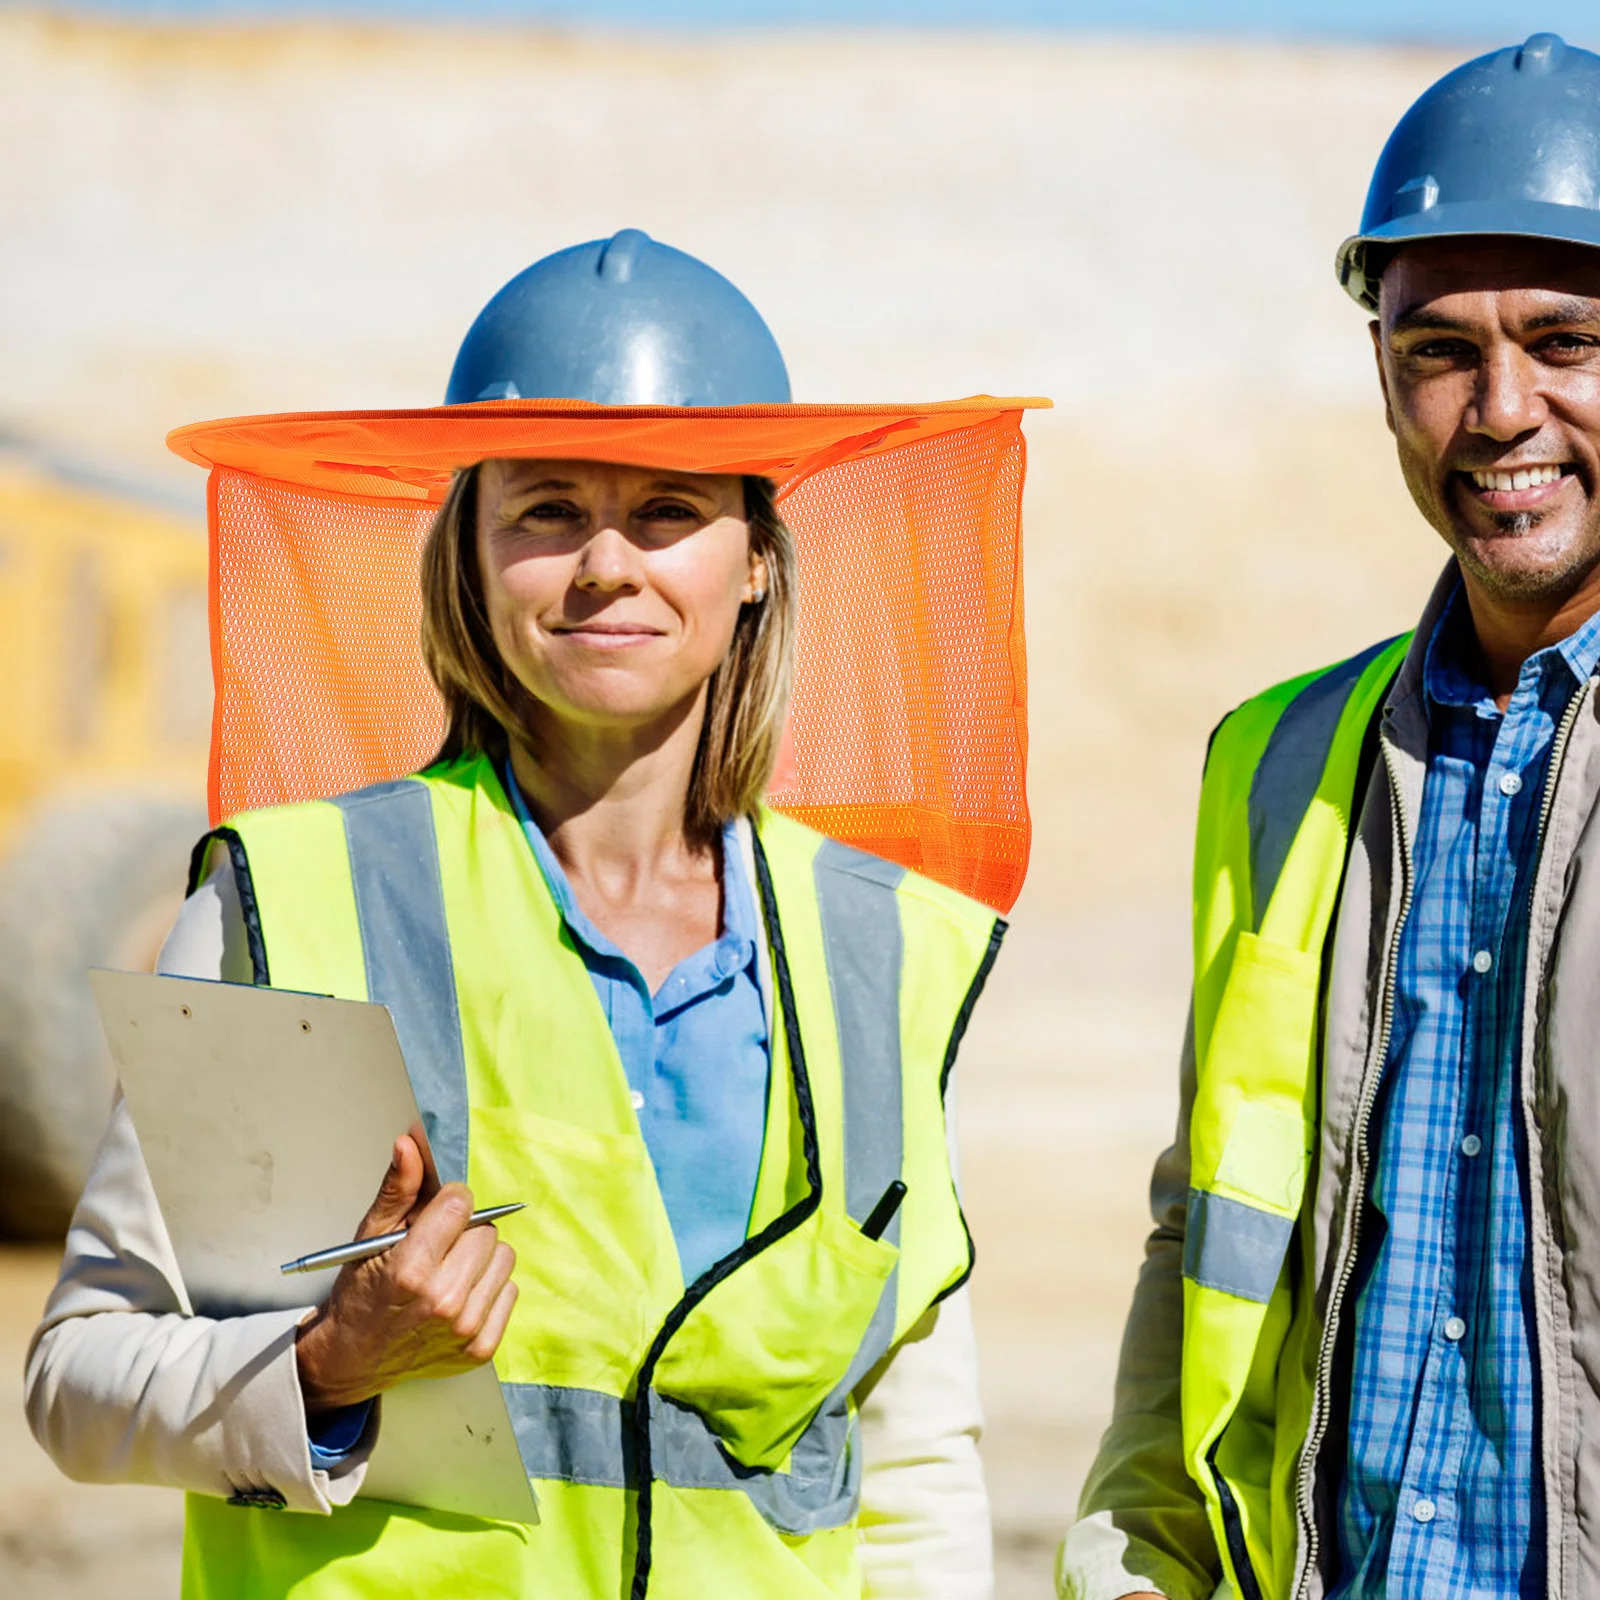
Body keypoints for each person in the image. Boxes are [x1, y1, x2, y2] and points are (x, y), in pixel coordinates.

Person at [26, 233, 1004, 1598]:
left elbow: (908, 1460)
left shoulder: (875, 945)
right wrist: (328, 1364)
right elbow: (80, 1377)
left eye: (667, 509)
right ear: (470, 558)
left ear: (759, 561)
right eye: (546, 508)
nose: (607, 564)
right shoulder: (297, 906)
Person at [1059, 32, 1600, 1600]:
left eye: (1565, 339)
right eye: (1438, 349)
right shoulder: (1283, 760)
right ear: (1380, 371)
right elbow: (1206, 1252)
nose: (1501, 411)